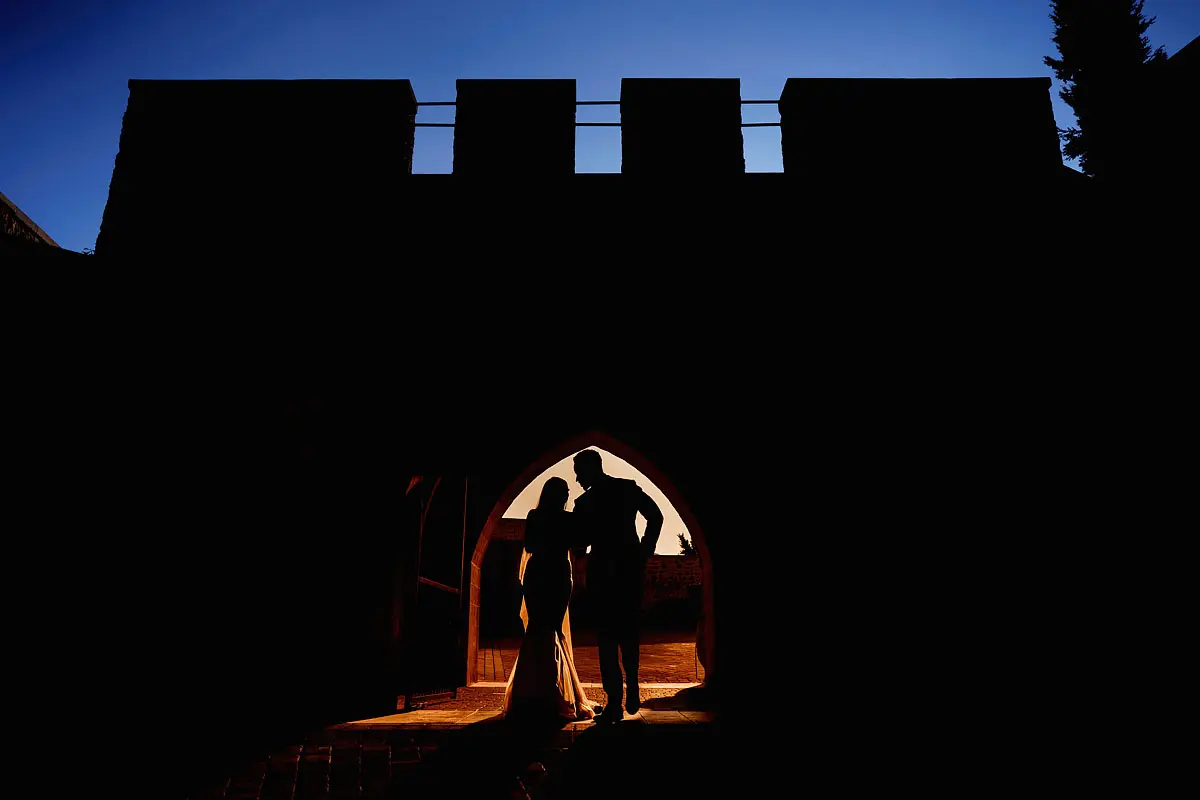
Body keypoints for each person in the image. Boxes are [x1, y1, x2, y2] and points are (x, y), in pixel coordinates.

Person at [571, 449, 663, 723]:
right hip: (627, 569)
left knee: (607, 638)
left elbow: (580, 543)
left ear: (590, 469)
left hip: (604, 572)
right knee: (627, 632)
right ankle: (629, 686)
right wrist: (643, 549)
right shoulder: (626, 488)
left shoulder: (585, 502)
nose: (576, 478)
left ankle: (615, 700)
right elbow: (655, 516)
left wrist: (578, 546)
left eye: (579, 472)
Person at [503, 477, 596, 721]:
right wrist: (573, 529)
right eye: (564, 491)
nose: (566, 495)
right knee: (548, 628)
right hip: (555, 572)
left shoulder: (536, 516)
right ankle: (548, 693)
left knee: (542, 628)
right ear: (557, 494)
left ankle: (533, 692)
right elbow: (579, 549)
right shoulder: (563, 519)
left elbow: (531, 545)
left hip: (540, 572)